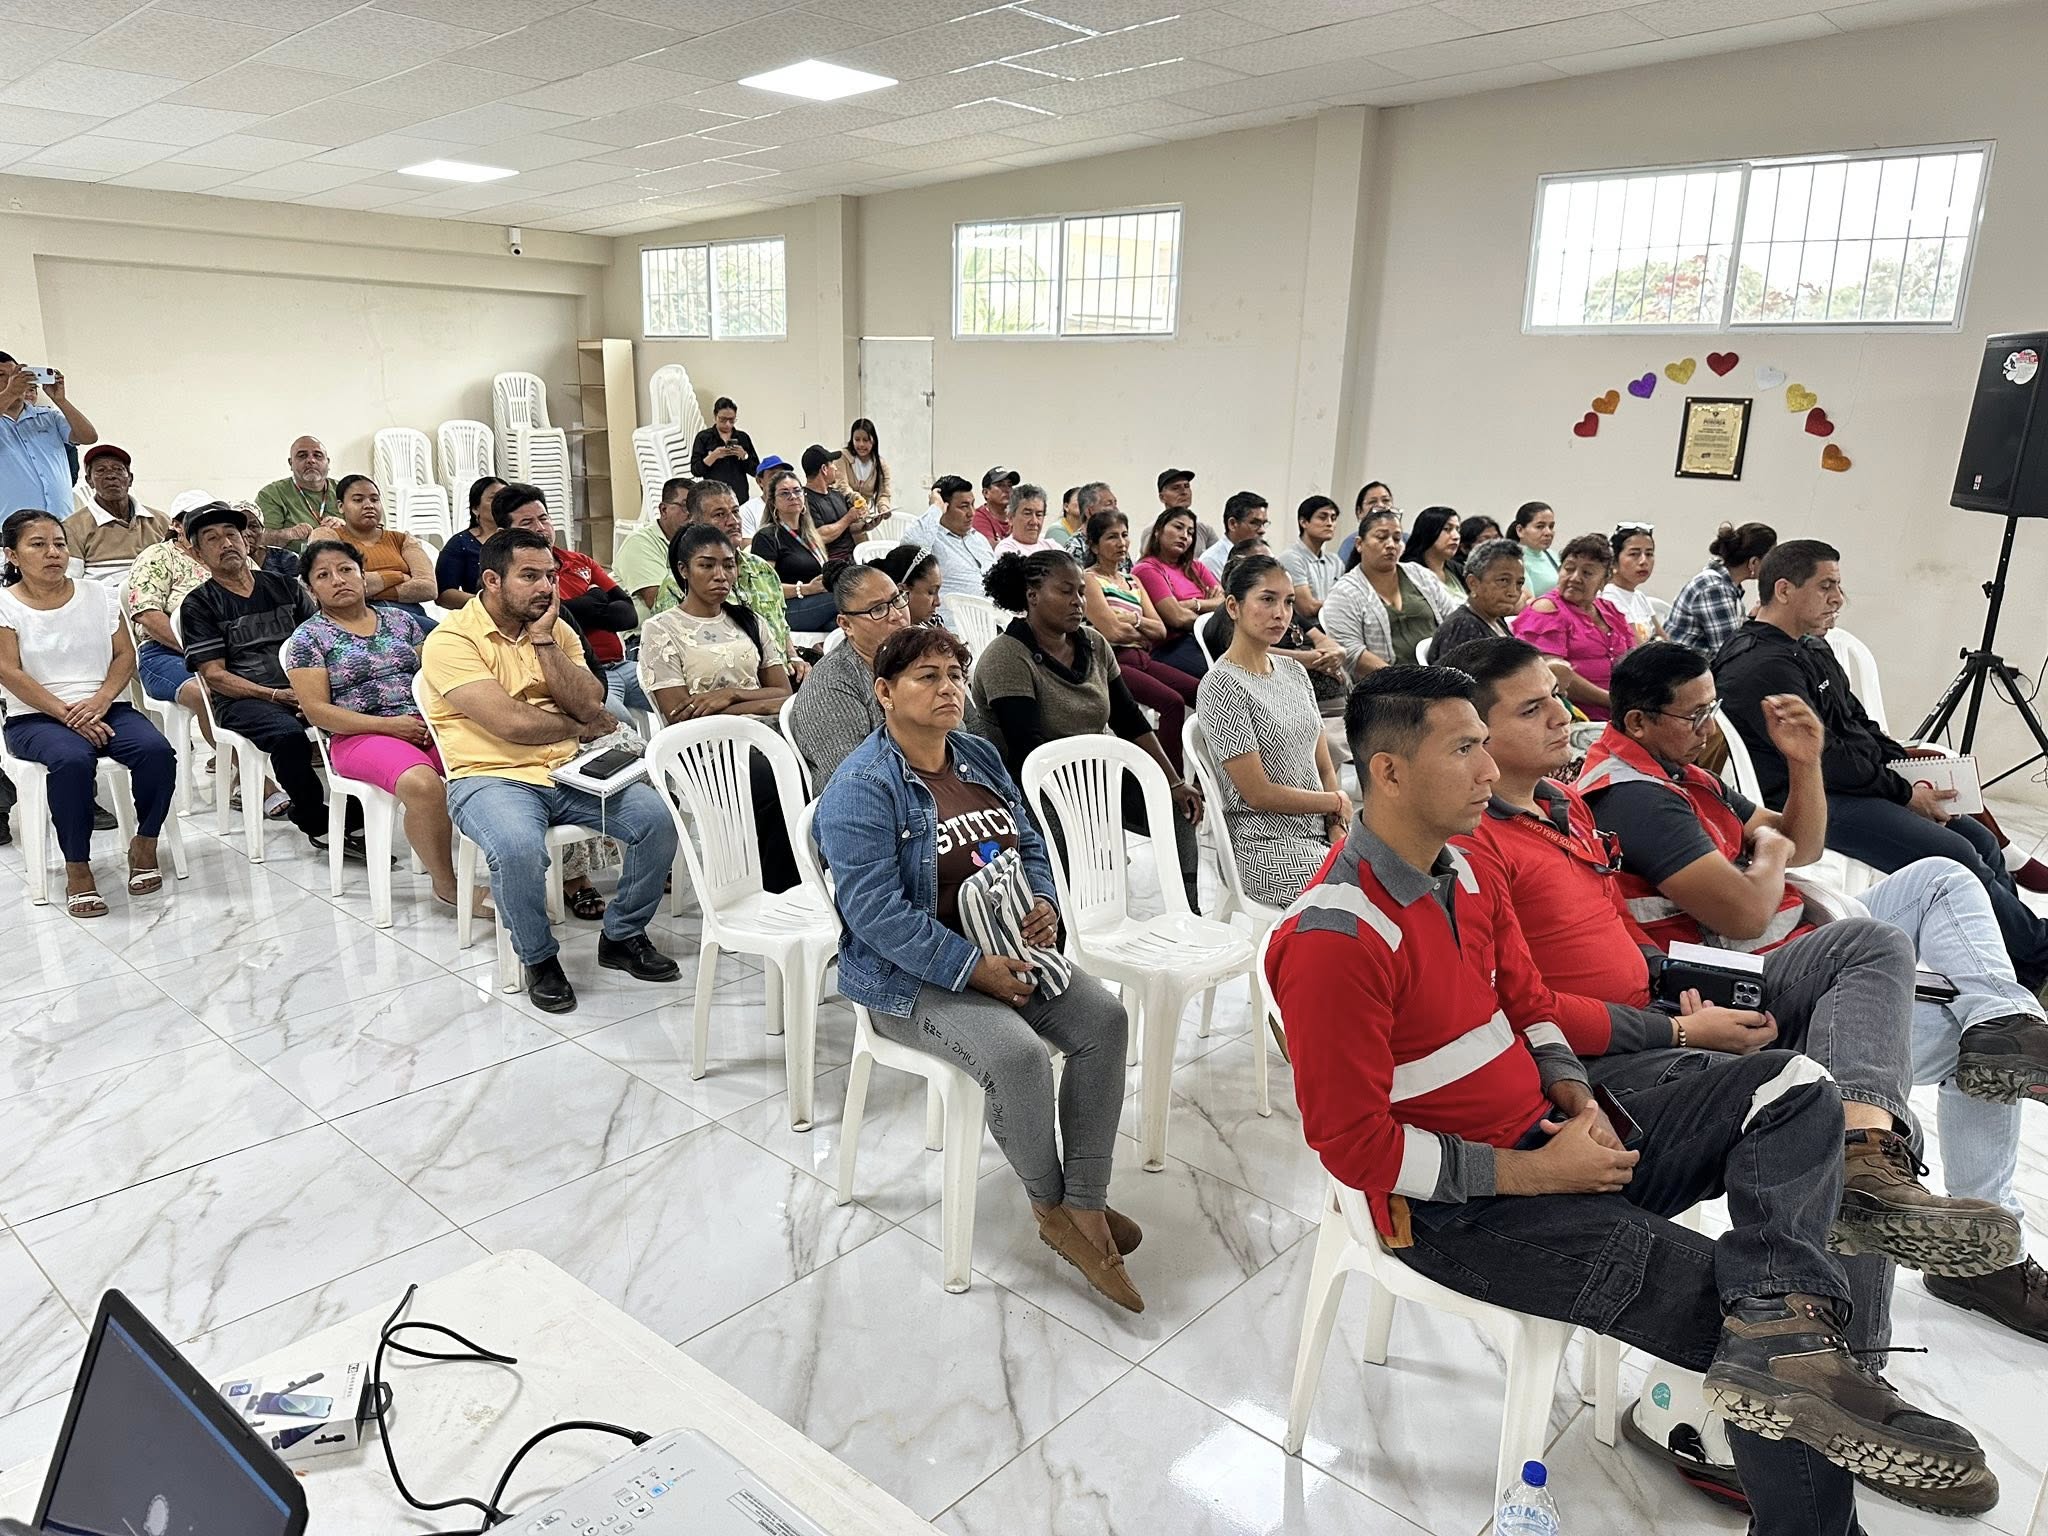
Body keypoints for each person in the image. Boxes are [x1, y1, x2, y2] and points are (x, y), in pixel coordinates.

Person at [1266, 665, 1991, 1531]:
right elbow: (1353, 1148)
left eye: (1483, 745)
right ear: (1388, 772)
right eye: (1463, 750)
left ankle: (1801, 1323)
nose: (1489, 770)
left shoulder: (1464, 872)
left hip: (1554, 1135)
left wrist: (1576, 1097)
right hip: (1457, 1212)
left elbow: (1530, 1008)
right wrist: (1540, 1173)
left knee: (1799, 1093)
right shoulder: (1336, 938)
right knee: (1757, 1336)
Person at [1455, 635, 2048, 1370]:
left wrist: (1803, 763)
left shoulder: (1568, 804)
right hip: (1638, 1042)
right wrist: (1680, 1024)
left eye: (1556, 696)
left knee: (1883, 948)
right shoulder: (1593, 807)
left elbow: (1633, 928)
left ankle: (1932, 1091)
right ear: (1474, 737)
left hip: (1694, 984)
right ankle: (1851, 1359)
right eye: (1533, 708)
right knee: (1871, 1094)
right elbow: (1532, 1004)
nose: (1563, 714)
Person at [1577, 644, 2023, 1268]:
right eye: (1695, 714)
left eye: (1712, 708)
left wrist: (1804, 762)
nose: (1709, 728)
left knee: (1943, 878)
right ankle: (1900, 1182)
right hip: (1740, 980)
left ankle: (2004, 1019)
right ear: (1638, 721)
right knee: (1924, 1004)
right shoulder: (1636, 797)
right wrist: (1768, 855)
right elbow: (1745, 911)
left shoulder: (1681, 773)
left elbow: (1801, 844)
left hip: (1785, 947)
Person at [818, 624, 1142, 1311]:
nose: (949, 689)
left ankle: (1085, 1200)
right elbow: (874, 914)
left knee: (1104, 1020)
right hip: (912, 979)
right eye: (927, 677)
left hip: (1005, 944)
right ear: (884, 692)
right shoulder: (863, 787)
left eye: (955, 676)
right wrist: (972, 968)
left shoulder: (975, 754)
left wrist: (1043, 903)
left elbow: (1028, 840)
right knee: (1018, 1057)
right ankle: (1052, 1208)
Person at [1716, 540, 2048, 992]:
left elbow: (1858, 725)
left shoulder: (1810, 646)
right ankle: (2039, 954)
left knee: (1982, 842)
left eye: (1839, 586)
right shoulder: (1760, 665)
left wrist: (1903, 770)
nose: (1838, 598)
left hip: (1852, 786)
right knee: (1956, 855)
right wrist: (1904, 793)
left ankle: (2020, 966)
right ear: (1785, 590)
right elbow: (1828, 760)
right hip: (1809, 799)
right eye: (1826, 586)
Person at [420, 527, 679, 1012]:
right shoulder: (450, 640)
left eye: (551, 576)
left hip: (567, 770)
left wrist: (543, 641)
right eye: (530, 576)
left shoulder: (552, 627)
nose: (546, 587)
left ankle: (622, 936)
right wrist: (579, 727)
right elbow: (510, 723)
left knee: (657, 820)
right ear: (492, 580)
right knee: (518, 849)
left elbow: (590, 701)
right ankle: (539, 959)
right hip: (490, 775)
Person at [970, 549, 1203, 910]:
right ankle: (1063, 925)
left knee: (1177, 811)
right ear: (1032, 596)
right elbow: (1026, 748)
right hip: (1033, 785)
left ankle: (1189, 911)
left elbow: (1129, 719)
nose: (1078, 602)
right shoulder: (1007, 656)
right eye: (1065, 592)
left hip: (1095, 774)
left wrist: (1172, 782)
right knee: (1058, 836)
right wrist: (1086, 799)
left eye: (1081, 591)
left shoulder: (1094, 644)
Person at [0, 510, 173, 914]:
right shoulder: (5, 605)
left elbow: (124, 655)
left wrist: (100, 701)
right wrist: (66, 714)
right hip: (35, 716)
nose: (53, 553)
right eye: (38, 545)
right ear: (12, 555)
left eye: (59, 544)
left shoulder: (98, 594)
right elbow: (8, 671)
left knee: (157, 752)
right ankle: (77, 866)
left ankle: (145, 842)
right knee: (72, 760)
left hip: (105, 705)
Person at [284, 540, 461, 908]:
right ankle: (448, 886)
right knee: (422, 784)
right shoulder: (309, 638)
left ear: (363, 576)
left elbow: (431, 675)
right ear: (311, 588)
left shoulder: (400, 620)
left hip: (423, 723)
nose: (338, 580)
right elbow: (316, 711)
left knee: (486, 763)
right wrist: (390, 727)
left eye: (346, 569)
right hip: (358, 736)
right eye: (323, 575)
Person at [177, 503, 359, 853]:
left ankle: (356, 806)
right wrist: (275, 695)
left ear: (245, 540)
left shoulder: (284, 586)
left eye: (231, 534)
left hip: (304, 686)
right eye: (212, 539)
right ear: (198, 555)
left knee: (359, 713)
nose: (226, 543)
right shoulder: (198, 605)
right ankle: (314, 819)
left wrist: (312, 692)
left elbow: (321, 638)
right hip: (243, 700)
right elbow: (215, 676)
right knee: (288, 736)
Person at [639, 523, 797, 891]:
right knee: (774, 778)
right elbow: (680, 715)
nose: (721, 575)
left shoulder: (749, 621)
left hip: (767, 733)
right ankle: (782, 890)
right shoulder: (662, 630)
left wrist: (733, 696)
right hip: (704, 749)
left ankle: (815, 879)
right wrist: (752, 705)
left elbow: (784, 694)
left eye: (728, 565)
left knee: (819, 766)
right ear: (683, 570)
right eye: (707, 565)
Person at [1195, 554, 1347, 906]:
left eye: (1289, 602)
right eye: (1267, 599)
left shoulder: (1293, 672)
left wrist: (1336, 823)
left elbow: (1323, 765)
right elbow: (1257, 793)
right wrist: (1335, 802)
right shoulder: (1222, 685)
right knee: (1356, 895)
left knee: (1398, 873)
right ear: (1233, 607)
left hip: (1319, 830)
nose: (1281, 613)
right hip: (1263, 845)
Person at [494, 483, 647, 717]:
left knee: (684, 699)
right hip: (582, 675)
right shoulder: (514, 580)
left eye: (543, 519)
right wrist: (596, 598)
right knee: (621, 726)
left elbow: (627, 616)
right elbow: (552, 620)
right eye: (527, 523)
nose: (540, 529)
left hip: (622, 664)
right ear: (503, 533)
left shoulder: (579, 561)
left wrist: (581, 609)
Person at [1077, 510, 1198, 770]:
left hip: (1144, 659)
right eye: (1112, 537)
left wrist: (1132, 620)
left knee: (1202, 692)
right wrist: (1142, 628)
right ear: (1094, 545)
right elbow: (1112, 633)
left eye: (1124, 535)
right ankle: (1171, 779)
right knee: (1172, 702)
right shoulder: (1089, 579)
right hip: (1113, 663)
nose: (1121, 543)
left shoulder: (1133, 581)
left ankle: (1211, 769)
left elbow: (1160, 631)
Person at [787, 560, 910, 788]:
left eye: (897, 599)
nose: (896, 615)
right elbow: (856, 781)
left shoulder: (923, 655)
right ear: (846, 625)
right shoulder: (831, 684)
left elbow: (969, 733)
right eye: (878, 609)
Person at [1320, 506, 1459, 674]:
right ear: (1359, 544)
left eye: (1397, 538)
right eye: (1381, 537)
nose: (1391, 545)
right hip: (1385, 683)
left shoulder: (1421, 575)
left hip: (1441, 673)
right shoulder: (1344, 593)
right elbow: (1352, 652)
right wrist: (1401, 680)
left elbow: (1454, 620)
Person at [1510, 532, 1634, 719]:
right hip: (1576, 717)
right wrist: (1613, 701)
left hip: (1623, 710)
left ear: (1604, 580)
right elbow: (1551, 675)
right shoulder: (1547, 610)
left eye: (1587, 573)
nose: (1575, 578)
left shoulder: (1610, 611)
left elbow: (1635, 658)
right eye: (1569, 569)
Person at [315, 474, 437, 630]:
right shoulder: (328, 536)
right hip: (357, 616)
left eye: (374, 500)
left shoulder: (403, 539)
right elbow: (335, 584)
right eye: (358, 500)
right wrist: (398, 576)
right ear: (341, 506)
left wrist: (368, 588)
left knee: (448, 637)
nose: (369, 505)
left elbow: (428, 588)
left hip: (410, 613)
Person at [0, 355, 97, 516]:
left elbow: (89, 437)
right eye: (1, 375)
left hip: (61, 521)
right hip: (10, 525)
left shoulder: (48, 416)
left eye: (16, 374)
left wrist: (61, 400)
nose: (12, 380)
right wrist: (10, 392)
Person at [1131, 507, 1218, 677]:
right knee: (1218, 677)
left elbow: (1224, 602)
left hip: (1206, 638)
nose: (1185, 536)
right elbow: (1176, 618)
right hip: (1172, 645)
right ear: (1158, 531)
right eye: (1178, 527)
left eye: (1190, 533)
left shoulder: (1196, 567)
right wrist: (1211, 616)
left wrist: (1193, 604)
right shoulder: (1146, 569)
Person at [1667, 521, 1776, 656]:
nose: (1773, 565)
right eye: (1771, 559)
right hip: (1682, 667)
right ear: (1753, 562)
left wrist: (1754, 619)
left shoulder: (1726, 585)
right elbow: (1730, 652)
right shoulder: (1714, 589)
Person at [752, 466, 838, 633]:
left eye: (797, 491)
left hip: (818, 603)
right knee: (847, 596)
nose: (793, 496)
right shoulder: (767, 537)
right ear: (773, 502)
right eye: (784, 493)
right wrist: (806, 589)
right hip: (786, 608)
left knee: (845, 623)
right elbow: (763, 588)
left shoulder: (810, 535)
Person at [905, 474, 994, 630]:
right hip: (955, 628)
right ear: (944, 507)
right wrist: (935, 508)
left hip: (995, 622)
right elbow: (909, 553)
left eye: (972, 505)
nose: (972, 513)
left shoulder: (978, 539)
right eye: (964, 506)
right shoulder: (932, 539)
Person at [62, 445, 167, 569]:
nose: (111, 475)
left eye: (118, 469)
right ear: (89, 481)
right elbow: (72, 577)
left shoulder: (162, 521)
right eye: (101, 470)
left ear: (130, 479)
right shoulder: (72, 527)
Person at [614, 475, 692, 623]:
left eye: (695, 507)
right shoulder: (640, 543)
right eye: (685, 506)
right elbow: (661, 605)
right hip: (646, 631)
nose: (691, 514)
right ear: (663, 510)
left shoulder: (695, 543)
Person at [1428, 536, 1524, 656]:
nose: (1513, 592)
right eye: (1503, 580)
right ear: (1473, 583)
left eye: (1519, 583)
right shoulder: (1463, 627)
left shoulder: (1495, 619)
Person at [254, 435, 339, 551]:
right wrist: (290, 534)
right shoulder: (272, 494)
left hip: (344, 558)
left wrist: (345, 528)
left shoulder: (346, 490)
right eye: (302, 456)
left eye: (318, 456)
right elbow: (260, 540)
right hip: (292, 561)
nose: (311, 460)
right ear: (291, 463)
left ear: (327, 462)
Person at [435, 476, 504, 610]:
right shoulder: (461, 543)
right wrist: (487, 604)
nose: (502, 503)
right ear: (475, 508)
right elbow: (444, 594)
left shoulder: (522, 537)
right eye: (494, 498)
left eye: (506, 498)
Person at [1281, 495, 1343, 624]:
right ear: (1304, 522)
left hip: (1334, 626)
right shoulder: (1291, 558)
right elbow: (1307, 607)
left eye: (1333, 518)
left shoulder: (1335, 561)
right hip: (1304, 630)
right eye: (1322, 517)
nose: (1330, 523)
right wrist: (1342, 606)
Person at [689, 395, 759, 503]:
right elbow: (696, 470)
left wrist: (744, 456)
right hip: (713, 495)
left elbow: (756, 471)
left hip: (739, 495)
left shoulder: (742, 437)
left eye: (731, 420)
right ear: (715, 416)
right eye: (723, 420)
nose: (727, 424)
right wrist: (713, 456)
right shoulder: (703, 437)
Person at [801, 443, 864, 561]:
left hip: (852, 556)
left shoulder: (837, 494)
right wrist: (849, 517)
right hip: (831, 562)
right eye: (832, 464)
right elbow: (820, 535)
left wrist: (867, 524)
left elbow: (846, 528)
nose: (835, 468)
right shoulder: (804, 500)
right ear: (824, 469)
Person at [1603, 520, 1663, 641]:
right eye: (1634, 554)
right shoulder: (1608, 597)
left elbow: (1662, 636)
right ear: (1613, 560)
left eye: (1649, 554)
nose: (1643, 561)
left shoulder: (1639, 597)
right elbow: (1636, 646)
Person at [1196, 492, 1268, 580]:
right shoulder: (1212, 560)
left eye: (1264, 524)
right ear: (1232, 524)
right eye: (1254, 523)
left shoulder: (1263, 554)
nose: (1262, 530)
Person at [1399, 505, 1466, 600]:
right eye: (1447, 529)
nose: (1456, 536)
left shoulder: (1457, 569)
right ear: (1428, 532)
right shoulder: (1409, 573)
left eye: (1457, 529)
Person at [878, 543, 943, 628]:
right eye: (931, 592)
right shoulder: (887, 633)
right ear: (901, 592)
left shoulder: (934, 623)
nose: (938, 602)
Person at [1335, 479, 1392, 566]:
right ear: (1359, 512)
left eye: (1386, 500)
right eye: (1372, 502)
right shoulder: (1351, 543)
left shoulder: (1406, 540)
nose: (1380, 505)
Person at [841, 418, 891, 519]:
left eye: (866, 440)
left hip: (864, 517)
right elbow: (841, 485)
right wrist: (856, 498)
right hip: (842, 514)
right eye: (857, 440)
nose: (861, 444)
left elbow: (884, 493)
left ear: (873, 440)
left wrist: (883, 507)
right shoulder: (842, 457)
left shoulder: (881, 464)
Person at [1511, 500, 1560, 600]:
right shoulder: (1515, 561)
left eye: (1551, 527)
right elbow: (1528, 601)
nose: (1548, 532)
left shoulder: (1553, 556)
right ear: (1520, 530)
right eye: (1540, 527)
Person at [990, 483, 1052, 560]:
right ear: (1011, 518)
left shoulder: (1052, 546)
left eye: (1039, 515)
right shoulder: (1006, 550)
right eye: (1027, 514)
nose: (1034, 522)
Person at [738, 454, 788, 539]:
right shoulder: (747, 510)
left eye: (782, 475)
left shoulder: (794, 504)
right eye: (773, 475)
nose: (779, 480)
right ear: (759, 481)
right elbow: (747, 544)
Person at [971, 466, 1020, 545]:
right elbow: (989, 547)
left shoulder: (1016, 516)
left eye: (1009, 485)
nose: (1007, 490)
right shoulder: (978, 516)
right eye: (1000, 485)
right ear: (986, 493)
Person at [1047, 486, 1086, 551]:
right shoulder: (1056, 530)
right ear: (1066, 507)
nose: (1085, 503)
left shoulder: (1087, 529)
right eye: (1080, 499)